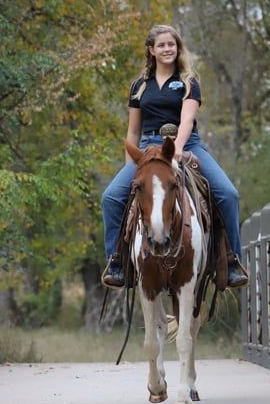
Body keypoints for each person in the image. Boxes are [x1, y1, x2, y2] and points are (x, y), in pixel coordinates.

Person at [101, 24, 248, 290]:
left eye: (172, 44)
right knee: (111, 197)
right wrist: (130, 167)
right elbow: (133, 131)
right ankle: (117, 261)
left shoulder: (189, 82)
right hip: (147, 147)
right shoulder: (139, 86)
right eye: (161, 45)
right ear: (151, 50)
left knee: (229, 194)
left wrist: (177, 147)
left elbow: (187, 120)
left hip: (186, 144)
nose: (167, 49)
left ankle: (232, 260)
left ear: (177, 48)